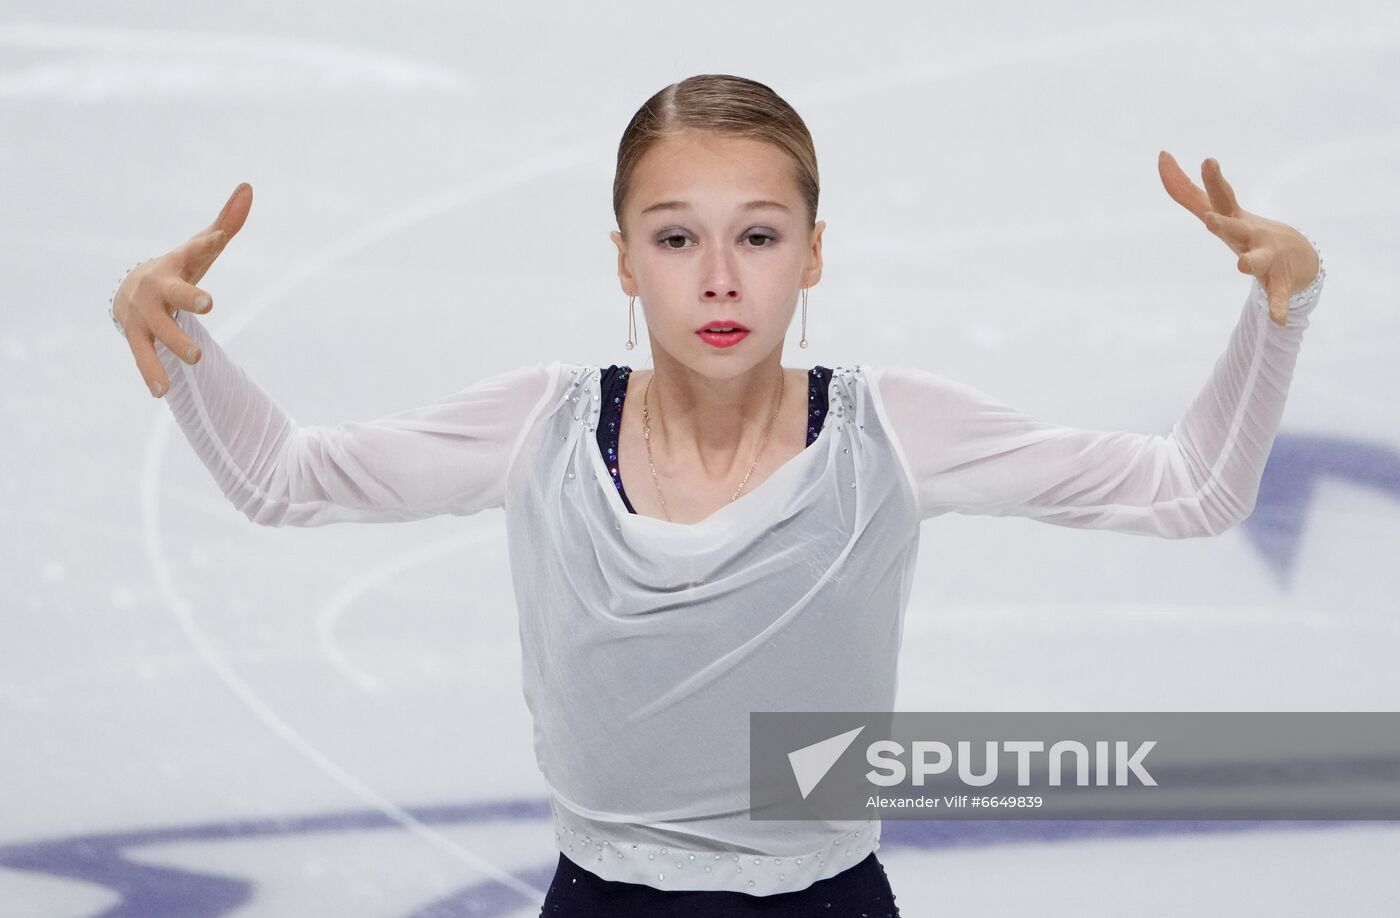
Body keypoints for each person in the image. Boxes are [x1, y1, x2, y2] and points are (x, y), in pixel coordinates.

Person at [108, 73, 1324, 917]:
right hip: (601, 902)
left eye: (758, 234)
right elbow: (287, 480)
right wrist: (180, 344)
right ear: (625, 261)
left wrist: (1277, 313)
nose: (719, 277)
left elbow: (1189, 491)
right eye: (676, 238)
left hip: (827, 904)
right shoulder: (541, 424)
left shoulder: (890, 430)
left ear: (813, 250)